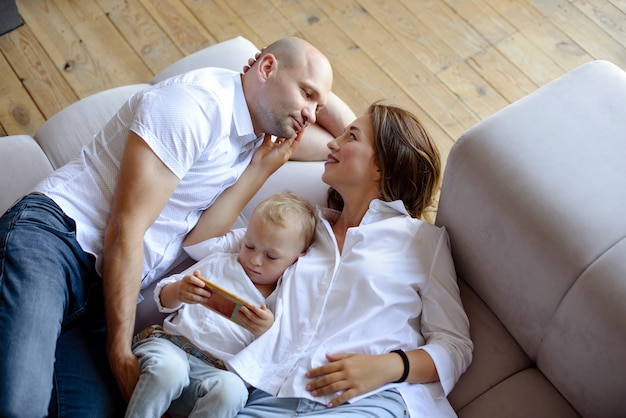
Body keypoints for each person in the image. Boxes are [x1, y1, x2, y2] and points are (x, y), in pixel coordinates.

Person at [0, 36, 338, 418]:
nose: (311, 114)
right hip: (55, 241)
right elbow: (124, 228)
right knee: (21, 405)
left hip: (103, 295)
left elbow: (335, 145)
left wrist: (262, 168)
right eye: (307, 94)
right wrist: (120, 352)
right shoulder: (194, 106)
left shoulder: (252, 139)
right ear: (266, 68)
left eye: (319, 105)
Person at [185, 102, 474, 417]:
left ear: (381, 167)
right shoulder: (303, 227)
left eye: (351, 137)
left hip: (372, 399)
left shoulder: (421, 241)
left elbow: (454, 345)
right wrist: (259, 168)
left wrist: (387, 366)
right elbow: (204, 244)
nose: (332, 144)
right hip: (274, 394)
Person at [125, 192, 317, 418]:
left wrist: (266, 332)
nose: (255, 260)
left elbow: (281, 352)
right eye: (250, 246)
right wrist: (178, 291)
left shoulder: (285, 298)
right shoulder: (221, 264)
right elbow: (163, 297)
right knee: (170, 371)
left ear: (298, 257)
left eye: (271, 257)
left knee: (232, 393)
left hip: (216, 373)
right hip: (171, 347)